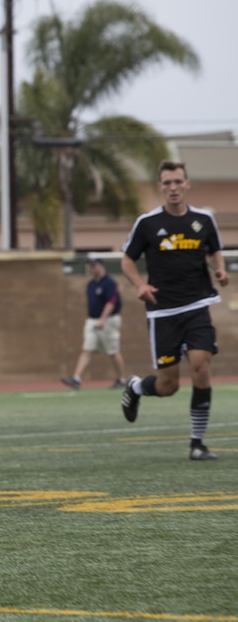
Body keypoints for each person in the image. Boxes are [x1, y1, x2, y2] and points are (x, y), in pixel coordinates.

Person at [119, 160, 228, 461]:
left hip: (198, 307)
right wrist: (140, 285)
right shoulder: (148, 223)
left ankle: (197, 443)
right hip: (163, 312)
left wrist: (220, 270)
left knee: (201, 368)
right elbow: (127, 260)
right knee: (168, 385)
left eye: (178, 181)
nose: (173, 187)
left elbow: (215, 249)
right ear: (160, 187)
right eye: (167, 183)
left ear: (187, 184)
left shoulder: (204, 220)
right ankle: (137, 387)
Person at [61, 256, 127, 390]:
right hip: (92, 320)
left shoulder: (109, 283)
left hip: (108, 320)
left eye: (94, 265)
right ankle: (76, 378)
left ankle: (122, 379)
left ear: (101, 265)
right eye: (90, 266)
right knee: (86, 349)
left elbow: (111, 302)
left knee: (113, 350)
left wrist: (103, 319)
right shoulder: (91, 284)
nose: (92, 268)